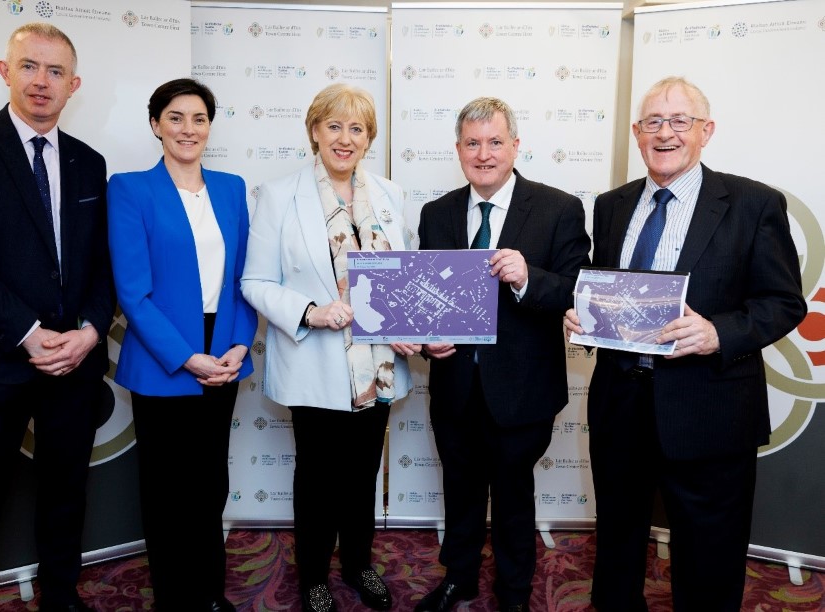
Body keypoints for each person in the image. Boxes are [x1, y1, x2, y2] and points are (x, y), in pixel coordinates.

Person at [564, 76, 807, 611]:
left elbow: (785, 302)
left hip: (710, 407)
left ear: (706, 131)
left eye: (680, 121)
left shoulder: (753, 203)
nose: (665, 133)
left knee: (709, 557)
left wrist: (719, 332)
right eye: (653, 121)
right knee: (619, 542)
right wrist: (583, 315)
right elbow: (609, 289)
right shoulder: (611, 205)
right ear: (636, 132)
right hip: (620, 406)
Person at [0, 23, 115, 612]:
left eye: (56, 72)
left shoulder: (89, 161)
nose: (42, 81)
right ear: (5, 72)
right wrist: (30, 335)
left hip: (74, 365)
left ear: (73, 84)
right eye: (30, 66)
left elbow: (102, 265)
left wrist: (88, 331)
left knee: (65, 494)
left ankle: (61, 597)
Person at [241, 83, 418, 612]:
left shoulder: (390, 193)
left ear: (370, 139)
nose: (345, 139)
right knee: (317, 479)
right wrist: (309, 312)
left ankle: (360, 566)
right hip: (313, 363)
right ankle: (314, 575)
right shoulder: (278, 195)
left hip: (379, 368)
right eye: (334, 126)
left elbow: (402, 278)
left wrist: (412, 322)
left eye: (357, 128)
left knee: (364, 476)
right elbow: (254, 282)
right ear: (315, 132)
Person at [415, 97, 591, 612]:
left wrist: (529, 278)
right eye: (473, 143)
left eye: (495, 142)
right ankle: (459, 578)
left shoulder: (559, 208)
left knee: (514, 498)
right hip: (454, 385)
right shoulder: (437, 212)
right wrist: (428, 338)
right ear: (458, 150)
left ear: (515, 146)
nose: (484, 154)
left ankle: (514, 592)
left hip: (523, 389)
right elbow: (424, 297)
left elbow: (578, 289)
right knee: (461, 491)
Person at [107, 78, 257, 612]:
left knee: (209, 485)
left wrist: (240, 344)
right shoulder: (130, 189)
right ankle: (174, 598)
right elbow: (133, 292)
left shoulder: (232, 186)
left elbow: (245, 277)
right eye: (175, 117)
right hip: (164, 360)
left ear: (209, 127)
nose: (187, 129)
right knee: (167, 493)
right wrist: (186, 357)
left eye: (198, 118)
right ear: (155, 125)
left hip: (223, 355)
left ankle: (210, 593)